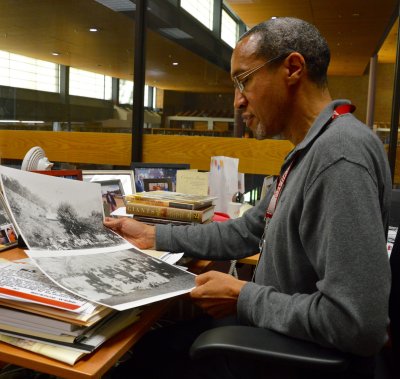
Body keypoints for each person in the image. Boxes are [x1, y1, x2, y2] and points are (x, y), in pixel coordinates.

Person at [104, 17, 392, 379]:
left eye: (244, 80)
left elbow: (358, 325)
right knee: (150, 347)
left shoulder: (338, 156)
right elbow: (244, 232)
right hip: (272, 336)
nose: (238, 101)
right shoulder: (311, 150)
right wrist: (150, 235)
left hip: (283, 358)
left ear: (292, 68)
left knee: (132, 362)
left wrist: (243, 297)